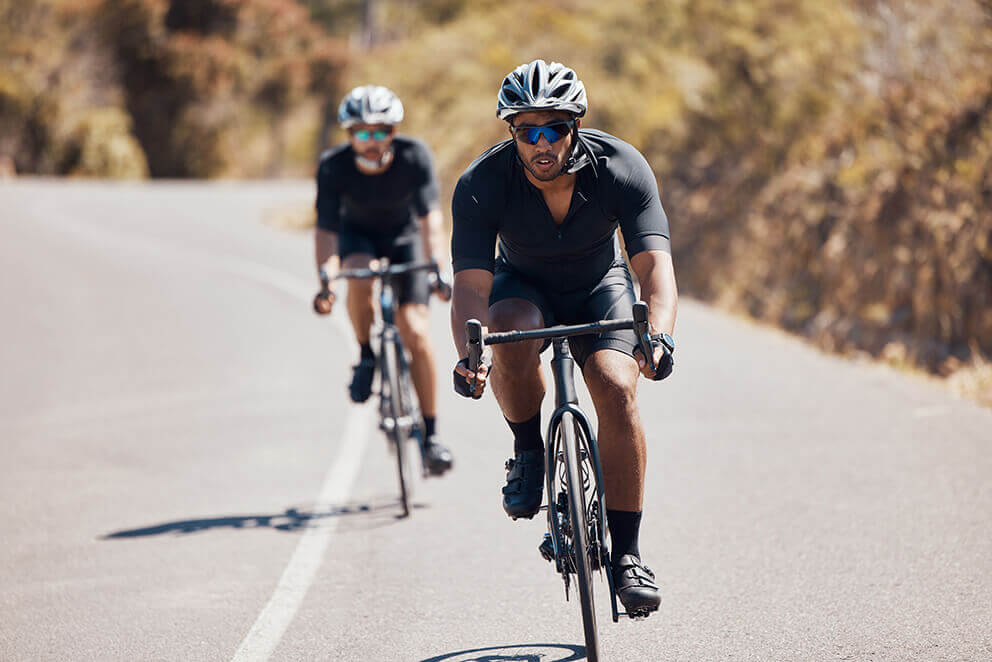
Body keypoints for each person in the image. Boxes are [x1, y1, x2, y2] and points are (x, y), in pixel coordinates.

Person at [449, 60, 678, 615]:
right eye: (527, 130)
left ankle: (626, 557)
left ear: (574, 125)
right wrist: (470, 355)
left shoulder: (621, 167)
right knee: (512, 334)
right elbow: (471, 290)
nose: (540, 142)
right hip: (522, 288)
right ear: (513, 134)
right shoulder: (482, 184)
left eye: (553, 127)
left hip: (601, 285)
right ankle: (529, 452)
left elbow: (655, 269)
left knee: (615, 385)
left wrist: (661, 335)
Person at [313, 84, 453, 476]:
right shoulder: (333, 166)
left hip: (405, 239)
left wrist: (438, 266)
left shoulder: (414, 155)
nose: (371, 141)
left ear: (393, 131)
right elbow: (325, 231)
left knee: (416, 333)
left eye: (380, 131)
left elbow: (430, 217)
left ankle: (432, 435)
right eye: (362, 133)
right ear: (349, 135)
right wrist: (325, 279)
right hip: (357, 237)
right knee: (359, 279)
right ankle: (366, 355)